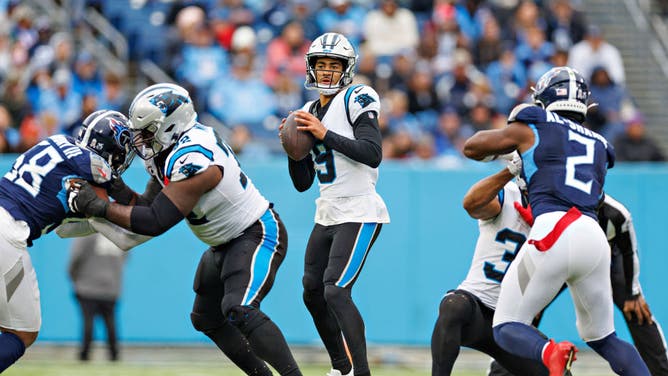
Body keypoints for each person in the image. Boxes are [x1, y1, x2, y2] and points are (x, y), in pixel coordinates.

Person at [67, 83, 302, 376]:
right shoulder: (168, 149)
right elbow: (146, 205)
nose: (140, 141)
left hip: (255, 232)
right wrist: (115, 187)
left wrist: (99, 207)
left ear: (171, 124)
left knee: (240, 308)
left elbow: (155, 221)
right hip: (223, 242)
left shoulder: (195, 158)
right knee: (206, 318)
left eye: (148, 131)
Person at [462, 66, 649, 375]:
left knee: (506, 326)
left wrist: (511, 151)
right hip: (593, 236)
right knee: (606, 339)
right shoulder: (601, 145)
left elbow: (473, 146)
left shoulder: (535, 121)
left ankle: (551, 352)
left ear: (546, 97)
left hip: (554, 229)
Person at [280, 32, 390, 376]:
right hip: (327, 210)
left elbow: (373, 154)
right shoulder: (309, 110)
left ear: (347, 68)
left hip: (359, 208)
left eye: (334, 65)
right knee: (312, 291)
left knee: (336, 290)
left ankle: (360, 372)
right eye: (321, 64)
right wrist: (293, 148)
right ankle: (340, 368)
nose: (327, 71)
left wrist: (323, 133)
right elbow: (302, 184)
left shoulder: (358, 96)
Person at [0, 109, 134, 372]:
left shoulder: (57, 141)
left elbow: (63, 228)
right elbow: (129, 213)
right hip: (8, 233)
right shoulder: (95, 166)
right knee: (22, 331)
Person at [489, 191, 668, 375]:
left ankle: (661, 371)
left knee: (637, 311)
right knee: (523, 315)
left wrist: (633, 292)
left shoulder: (616, 213)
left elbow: (628, 250)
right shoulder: (551, 203)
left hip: (600, 261)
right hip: (560, 252)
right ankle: (500, 371)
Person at [431, 160, 548, 376]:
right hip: (478, 308)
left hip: (512, 324)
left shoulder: (557, 216)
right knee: (453, 305)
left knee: (557, 369)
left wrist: (545, 227)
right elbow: (471, 204)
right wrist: (508, 172)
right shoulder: (509, 194)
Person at [68, 233, 127, 362]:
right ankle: (114, 355)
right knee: (110, 322)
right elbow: (126, 256)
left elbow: (76, 257)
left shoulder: (86, 232)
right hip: (111, 286)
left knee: (88, 321)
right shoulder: (118, 234)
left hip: (87, 285)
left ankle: (85, 355)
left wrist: (74, 277)